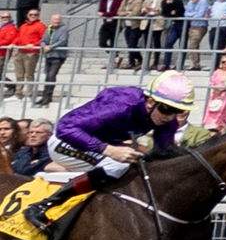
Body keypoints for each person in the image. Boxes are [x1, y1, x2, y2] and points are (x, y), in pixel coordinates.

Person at [50, 72, 196, 201]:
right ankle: (52, 201)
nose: (170, 117)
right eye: (166, 109)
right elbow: (64, 128)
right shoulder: (120, 106)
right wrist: (108, 150)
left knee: (141, 167)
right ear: (151, 102)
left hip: (99, 146)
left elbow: (164, 154)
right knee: (119, 165)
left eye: (177, 111)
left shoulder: (167, 121)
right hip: (65, 142)